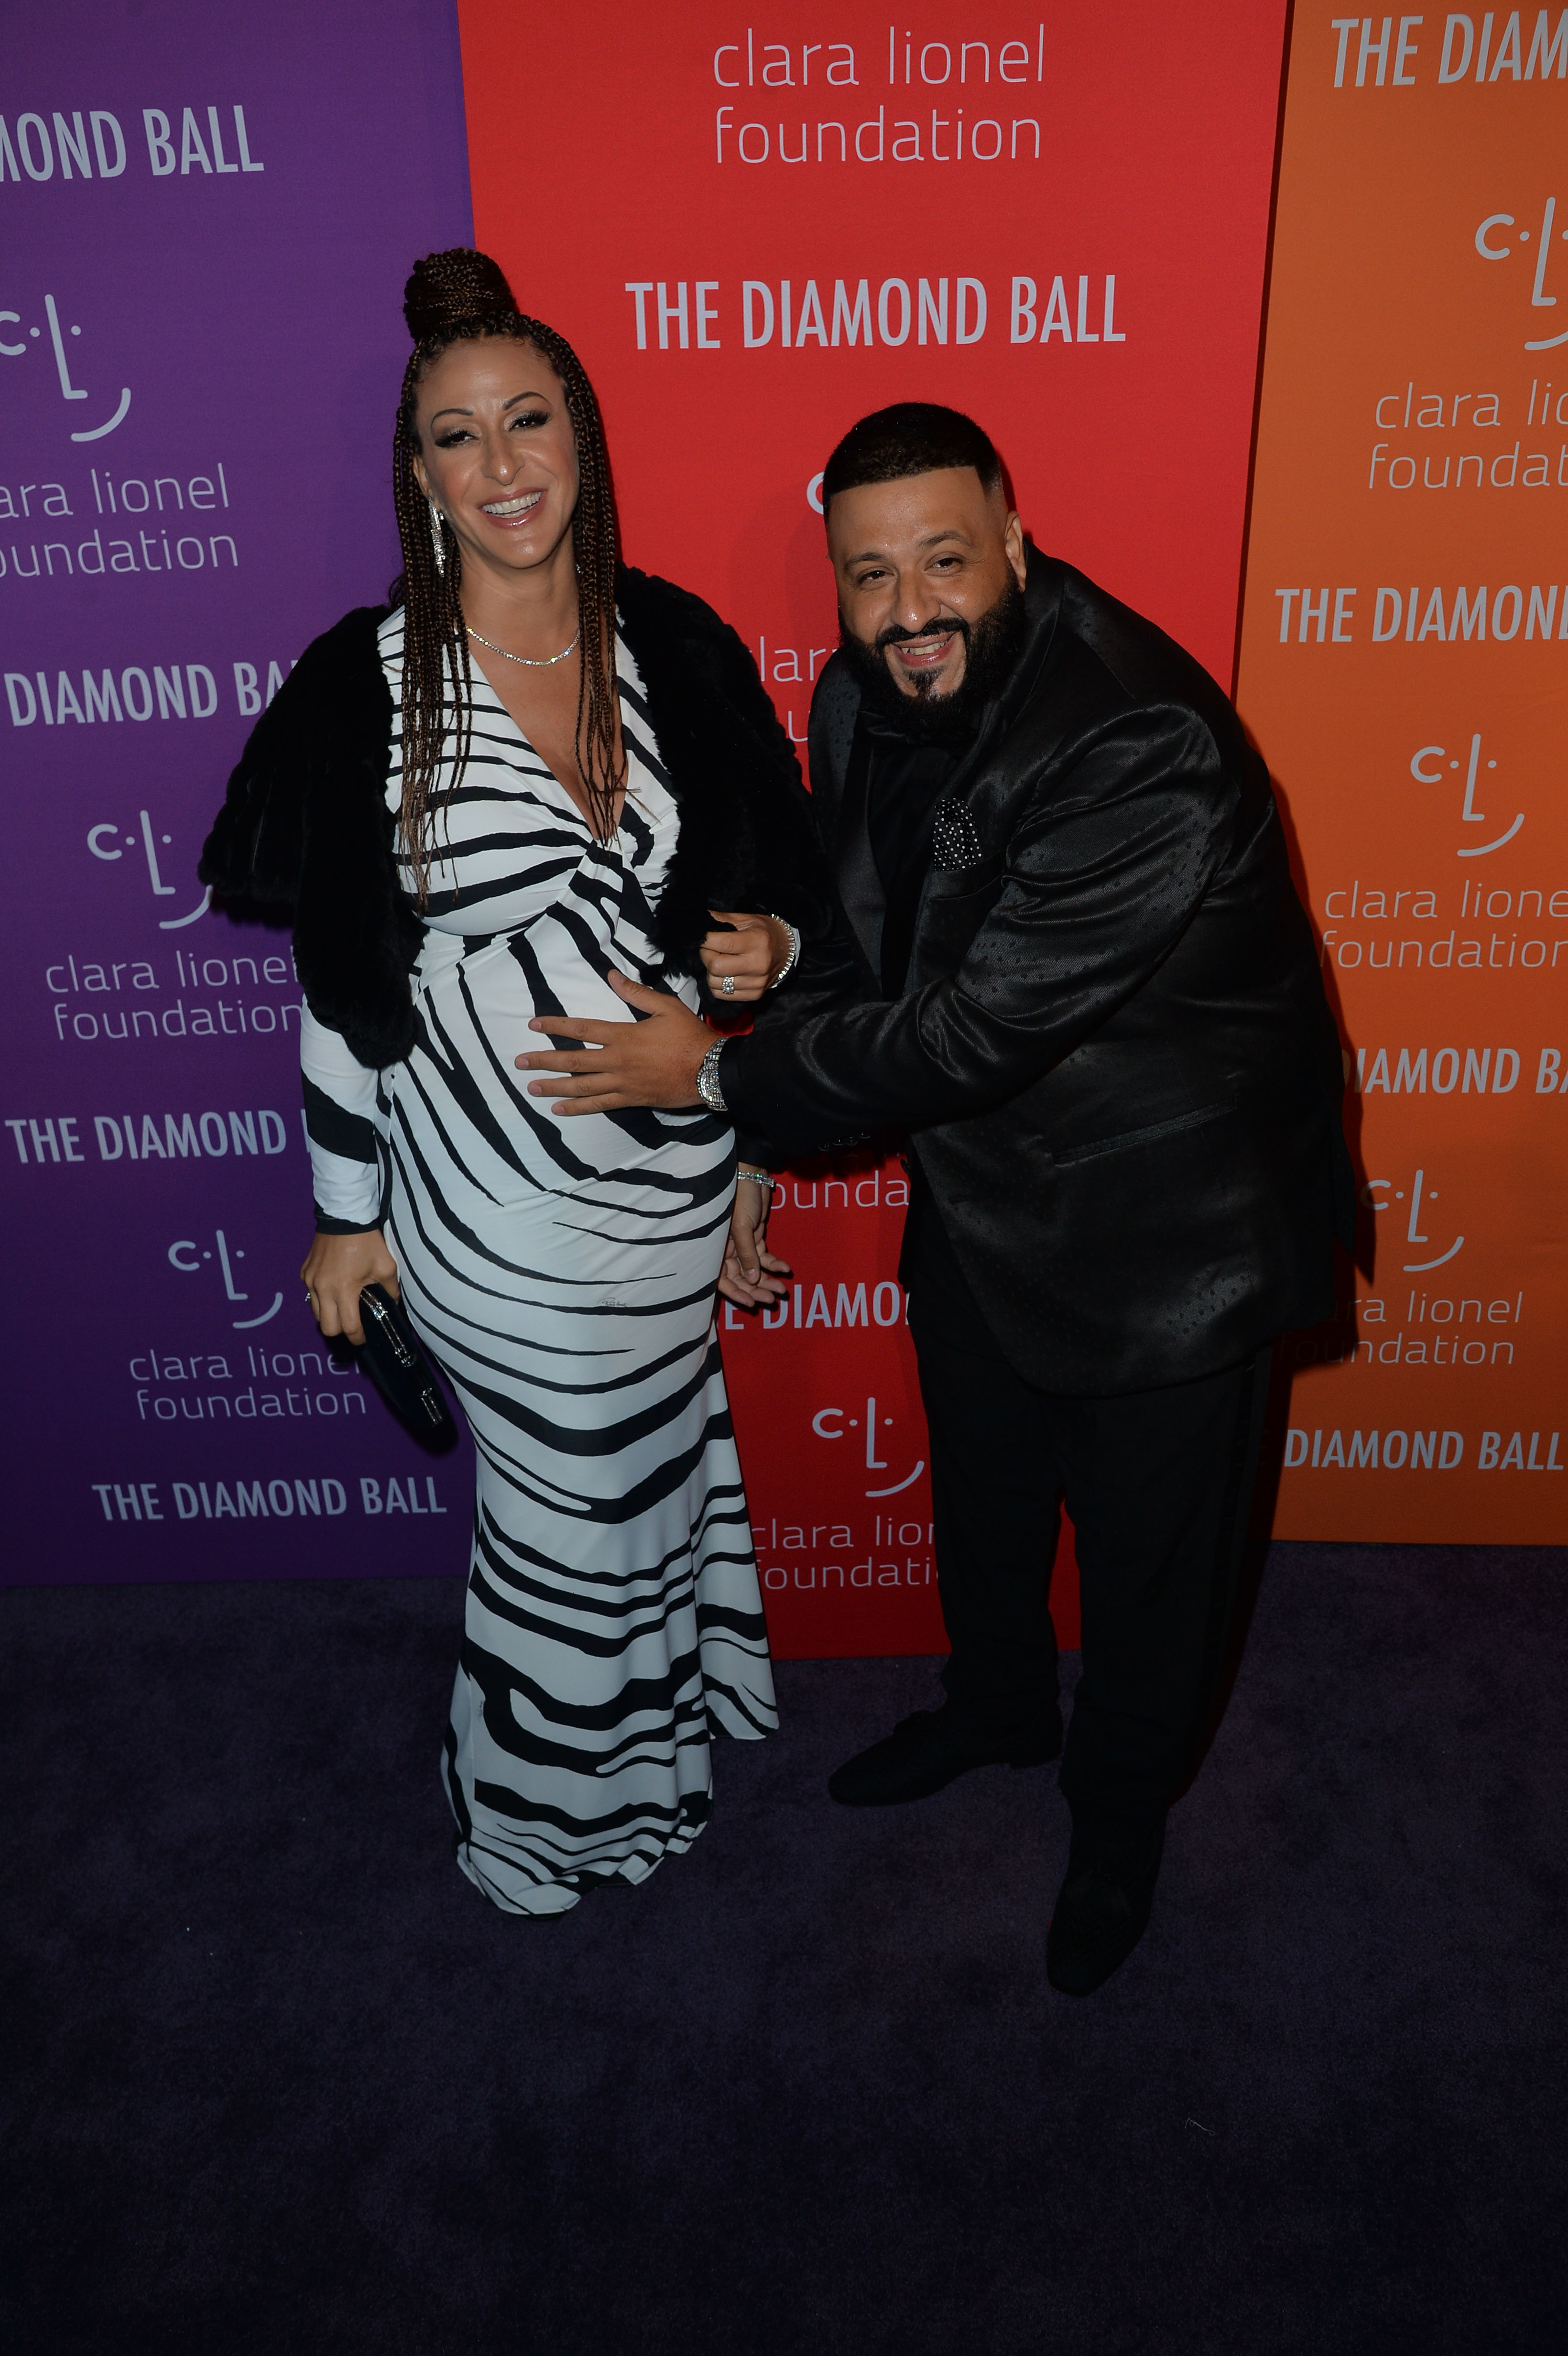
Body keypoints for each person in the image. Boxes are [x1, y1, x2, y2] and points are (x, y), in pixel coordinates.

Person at [518, 401, 1354, 1990]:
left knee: (1150, 1567)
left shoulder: (1132, 738)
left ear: (1018, 543)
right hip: (988, 1194)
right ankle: (993, 1706)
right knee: (981, 1493)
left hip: (1171, 1230)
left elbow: (968, 1028)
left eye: (946, 564)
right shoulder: (854, 699)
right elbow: (867, 944)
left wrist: (712, 1082)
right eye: (871, 575)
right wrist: (765, 1125)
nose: (909, 612)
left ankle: (1119, 1818)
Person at [200, 249, 830, 1916]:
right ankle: (540, 1811)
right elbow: (343, 992)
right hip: (489, 1211)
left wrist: (749, 1018)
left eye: (528, 421)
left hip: (672, 1187)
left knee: (654, 1472)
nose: (501, 469)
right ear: (417, 476)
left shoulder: (674, 647)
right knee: (564, 1517)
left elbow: (742, 922)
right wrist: (347, 1225)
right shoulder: (369, 687)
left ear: (583, 438)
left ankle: (659, 1745)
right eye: (458, 439)